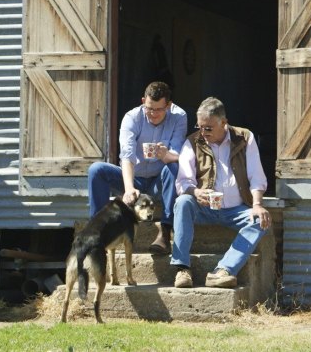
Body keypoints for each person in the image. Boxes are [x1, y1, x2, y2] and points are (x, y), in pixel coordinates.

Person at [170, 97, 271, 288]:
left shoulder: (244, 137)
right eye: (199, 126)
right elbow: (183, 181)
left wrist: (257, 204)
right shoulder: (192, 142)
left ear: (224, 123)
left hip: (236, 209)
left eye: (208, 128)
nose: (203, 132)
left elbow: (257, 176)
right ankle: (182, 269)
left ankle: (223, 270)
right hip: (204, 208)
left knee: (261, 220)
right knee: (183, 202)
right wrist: (195, 192)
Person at [87, 81, 187, 254]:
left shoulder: (179, 116)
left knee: (174, 167)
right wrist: (128, 188)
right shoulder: (132, 117)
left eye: (159, 109)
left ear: (169, 106)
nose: (153, 114)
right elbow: (127, 156)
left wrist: (165, 155)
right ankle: (97, 232)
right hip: (134, 178)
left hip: (159, 180)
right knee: (96, 170)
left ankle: (165, 231)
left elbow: (178, 155)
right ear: (143, 101)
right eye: (149, 108)